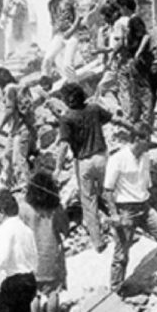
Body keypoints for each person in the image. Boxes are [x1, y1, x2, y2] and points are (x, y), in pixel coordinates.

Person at [103, 123, 157, 295]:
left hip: (144, 206)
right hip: (126, 209)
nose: (148, 144)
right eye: (147, 140)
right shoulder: (118, 159)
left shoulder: (145, 157)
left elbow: (148, 186)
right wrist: (114, 214)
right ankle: (116, 289)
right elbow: (108, 190)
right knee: (121, 253)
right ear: (137, 139)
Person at [56, 82, 113, 252]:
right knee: (110, 195)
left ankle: (98, 241)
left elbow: (64, 146)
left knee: (89, 202)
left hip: (84, 163)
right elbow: (110, 118)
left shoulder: (67, 118)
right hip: (102, 157)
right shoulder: (94, 109)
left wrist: (58, 168)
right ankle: (123, 230)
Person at [20, 171, 70, 312]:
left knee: (33, 294)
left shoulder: (24, 208)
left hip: (31, 257)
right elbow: (65, 229)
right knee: (53, 293)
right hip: (52, 256)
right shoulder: (56, 209)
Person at [110, 0, 151, 124]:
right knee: (133, 88)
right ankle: (135, 117)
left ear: (125, 7)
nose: (120, 11)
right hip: (131, 58)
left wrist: (138, 52)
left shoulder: (135, 20)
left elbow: (146, 36)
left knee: (140, 89)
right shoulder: (130, 22)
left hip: (136, 59)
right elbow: (124, 41)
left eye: (120, 8)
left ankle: (144, 119)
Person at [0, 67, 36, 187]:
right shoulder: (20, 86)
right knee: (7, 155)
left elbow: (10, 109)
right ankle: (8, 183)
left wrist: (0, 126)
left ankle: (26, 186)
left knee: (18, 160)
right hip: (17, 129)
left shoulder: (9, 89)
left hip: (21, 130)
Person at [38, 0, 79, 80]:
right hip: (59, 34)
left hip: (72, 33)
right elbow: (54, 23)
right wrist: (52, 38)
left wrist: (71, 30)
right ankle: (46, 83)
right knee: (47, 59)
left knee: (67, 65)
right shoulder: (50, 4)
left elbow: (79, 16)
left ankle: (73, 84)